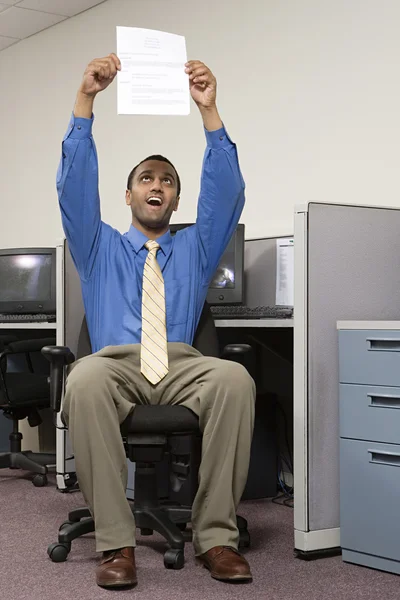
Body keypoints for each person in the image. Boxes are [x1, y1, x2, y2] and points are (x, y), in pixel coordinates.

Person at [57, 52, 255, 589]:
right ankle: (117, 543)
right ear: (128, 195)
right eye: (147, 178)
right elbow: (73, 190)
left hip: (179, 362)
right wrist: (86, 100)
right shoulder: (96, 247)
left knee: (234, 377)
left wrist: (209, 112)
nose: (157, 185)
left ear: (174, 198)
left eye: (167, 180)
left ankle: (216, 538)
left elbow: (229, 194)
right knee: (86, 376)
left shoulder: (194, 248)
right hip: (117, 364)